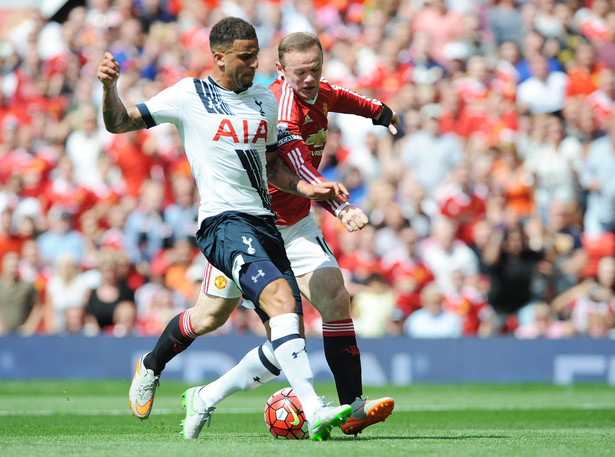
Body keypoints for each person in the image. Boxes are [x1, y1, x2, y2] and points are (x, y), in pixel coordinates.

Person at [126, 31, 399, 438]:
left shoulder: (317, 91)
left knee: (332, 296)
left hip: (297, 226)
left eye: (315, 70)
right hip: (250, 225)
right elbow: (297, 169)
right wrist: (341, 206)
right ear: (281, 71)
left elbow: (345, 98)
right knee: (208, 317)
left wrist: (381, 113)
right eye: (300, 72)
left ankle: (352, 406)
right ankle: (154, 366)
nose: (308, 79)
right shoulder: (278, 107)